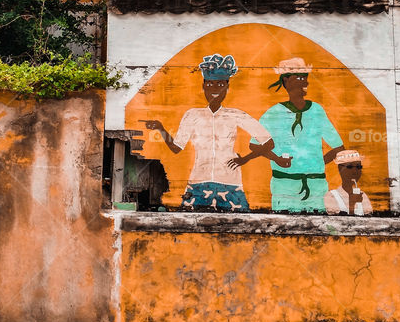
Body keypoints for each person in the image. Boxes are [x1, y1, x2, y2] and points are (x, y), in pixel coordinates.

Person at [144, 53, 274, 212]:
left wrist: (245, 159)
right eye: (210, 84)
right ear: (203, 85)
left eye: (220, 85)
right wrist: (160, 128)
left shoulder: (235, 115)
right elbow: (177, 148)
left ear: (227, 87)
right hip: (198, 182)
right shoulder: (192, 115)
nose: (215, 89)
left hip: (230, 184)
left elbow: (268, 142)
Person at [234, 57, 344, 212]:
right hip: (284, 185)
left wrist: (315, 164)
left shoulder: (317, 110)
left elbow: (339, 147)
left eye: (305, 78)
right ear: (286, 81)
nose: (305, 83)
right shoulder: (274, 112)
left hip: (316, 185)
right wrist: (277, 159)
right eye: (299, 78)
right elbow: (254, 145)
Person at [324, 149, 373, 215]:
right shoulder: (331, 196)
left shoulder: (363, 196)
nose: (355, 171)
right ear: (340, 169)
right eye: (349, 167)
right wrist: (352, 204)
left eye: (358, 167)